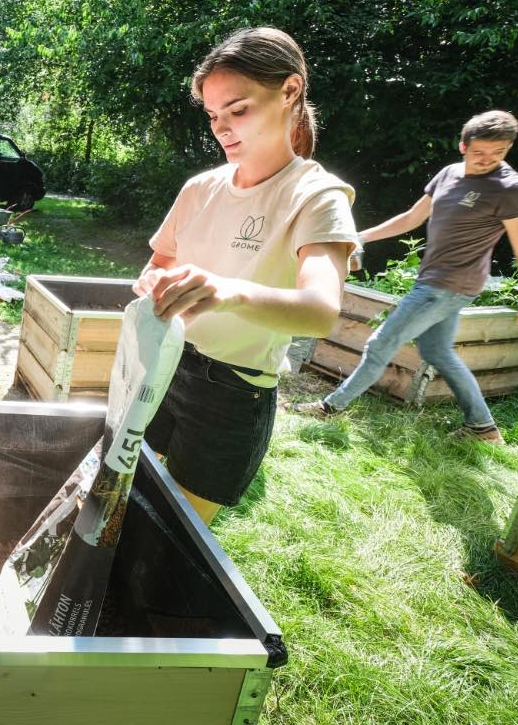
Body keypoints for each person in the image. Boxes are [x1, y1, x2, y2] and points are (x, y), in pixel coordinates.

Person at [134, 27, 359, 525]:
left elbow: (322, 310)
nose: (223, 127)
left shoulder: (317, 196)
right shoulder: (200, 188)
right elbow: (158, 264)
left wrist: (227, 291)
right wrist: (152, 284)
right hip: (165, 363)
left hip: (233, 390)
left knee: (178, 535)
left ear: (290, 91)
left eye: (239, 110)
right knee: (127, 505)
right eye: (214, 115)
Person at [288, 111, 518, 443]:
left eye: (498, 154)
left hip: (448, 286)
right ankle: (483, 427)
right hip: (434, 281)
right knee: (437, 352)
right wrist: (361, 236)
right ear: (463, 146)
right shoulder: (450, 174)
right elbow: (412, 218)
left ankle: (330, 407)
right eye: (480, 153)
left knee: (380, 343)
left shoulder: (512, 189)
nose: (488, 161)